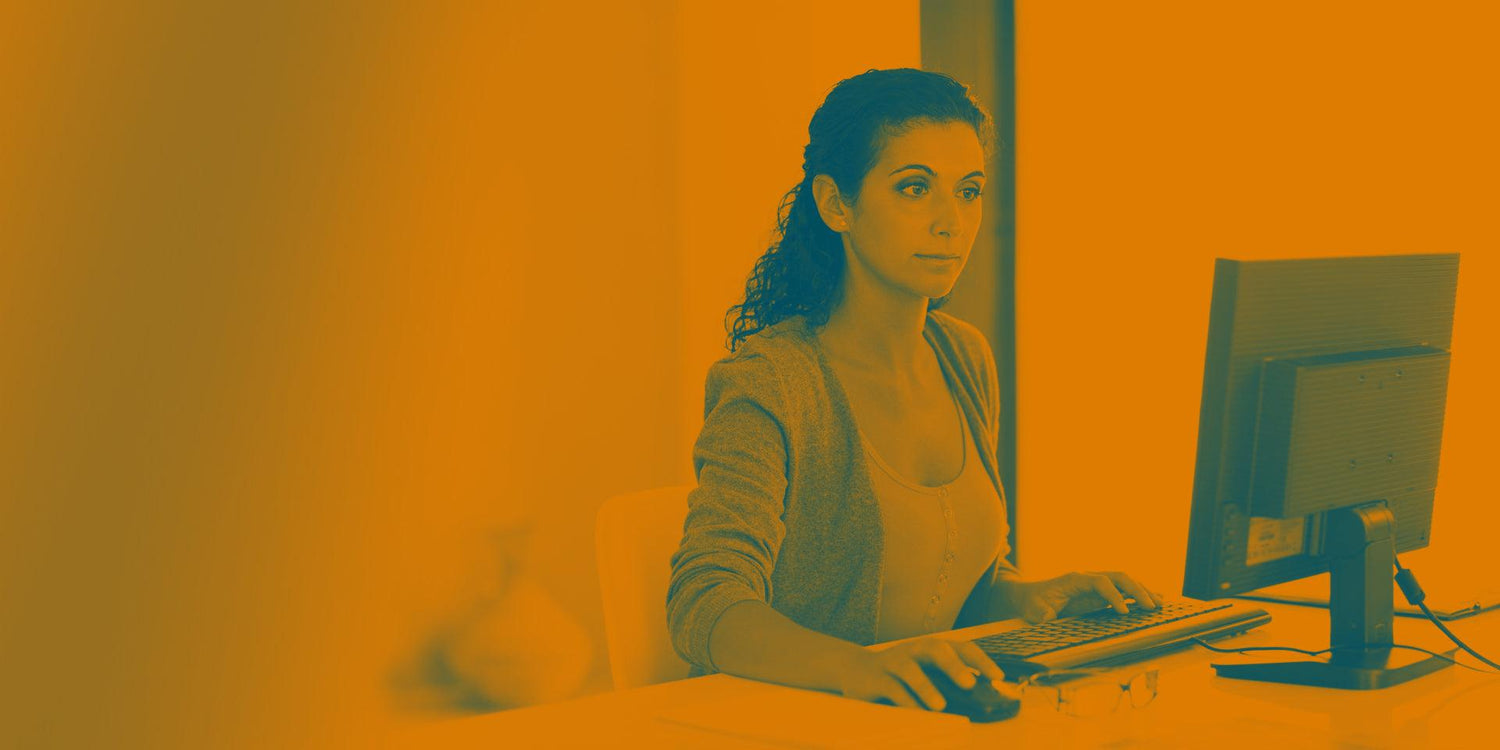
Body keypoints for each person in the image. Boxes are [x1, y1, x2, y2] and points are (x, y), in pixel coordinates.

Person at [667, 68, 1158, 713]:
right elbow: (705, 602)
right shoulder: (772, 380)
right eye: (915, 188)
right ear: (836, 205)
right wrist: (860, 669)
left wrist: (1029, 598)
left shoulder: (964, 357)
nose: (951, 222)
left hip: (918, 721)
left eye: (968, 191)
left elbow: (947, 586)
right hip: (792, 724)